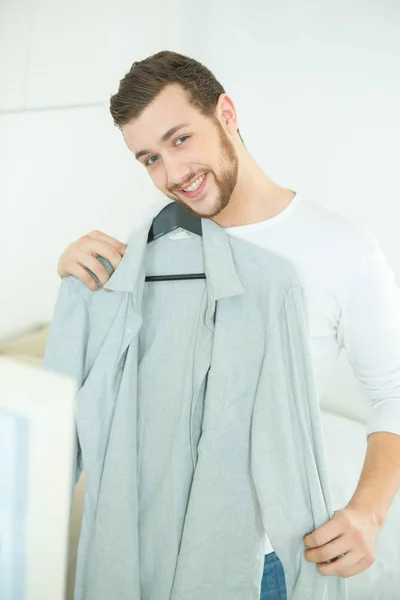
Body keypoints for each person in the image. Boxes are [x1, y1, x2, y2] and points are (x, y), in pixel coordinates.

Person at [55, 50, 400, 600]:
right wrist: (79, 282)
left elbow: (392, 390)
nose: (171, 175)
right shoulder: (153, 242)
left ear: (227, 114)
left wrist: (369, 512)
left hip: (258, 563)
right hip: (141, 546)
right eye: (149, 159)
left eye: (180, 139)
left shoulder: (340, 248)